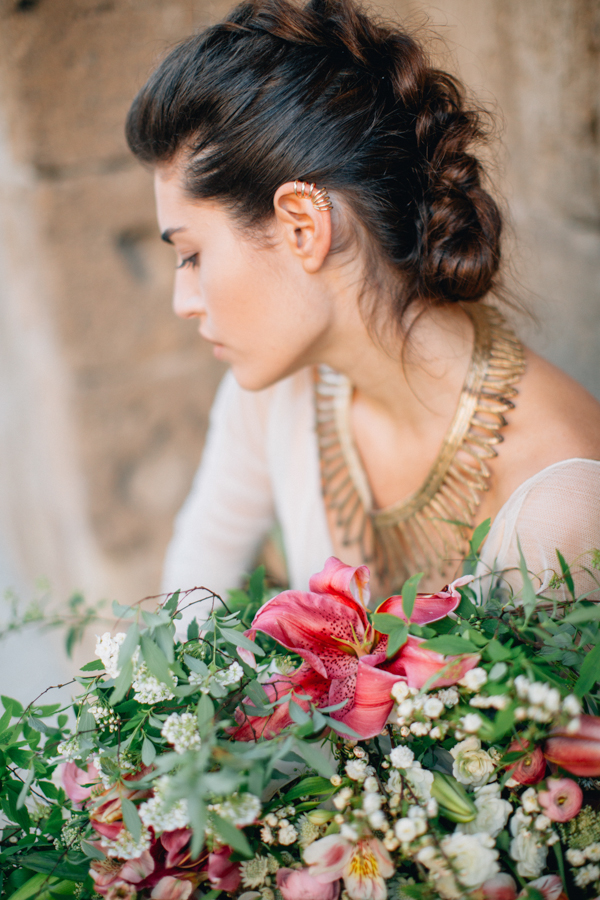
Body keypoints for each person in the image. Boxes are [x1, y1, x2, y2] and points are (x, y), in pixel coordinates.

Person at [126, 0, 600, 625]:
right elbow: (178, 621)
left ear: (303, 226)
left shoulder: (563, 508)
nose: (183, 302)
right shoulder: (272, 392)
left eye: (190, 254)